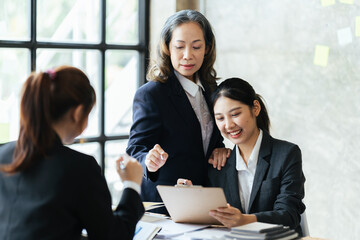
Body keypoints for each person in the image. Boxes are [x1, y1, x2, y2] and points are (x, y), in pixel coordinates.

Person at [0, 66, 144, 240]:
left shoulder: (3, 155)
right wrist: (132, 185)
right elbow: (114, 236)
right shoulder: (79, 167)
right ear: (77, 113)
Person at [126, 10, 231, 204]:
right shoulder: (151, 94)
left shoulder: (212, 90)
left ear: (207, 48)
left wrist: (220, 150)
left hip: (204, 198)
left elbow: (205, 142)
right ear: (167, 48)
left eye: (196, 47)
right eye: (179, 47)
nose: (188, 55)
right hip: (165, 202)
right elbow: (135, 150)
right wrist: (149, 161)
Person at [178, 78, 306, 236]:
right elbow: (212, 216)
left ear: (255, 108)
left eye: (235, 114)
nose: (229, 125)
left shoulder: (287, 154)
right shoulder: (219, 164)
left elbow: (289, 215)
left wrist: (244, 220)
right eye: (220, 118)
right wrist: (190, 196)